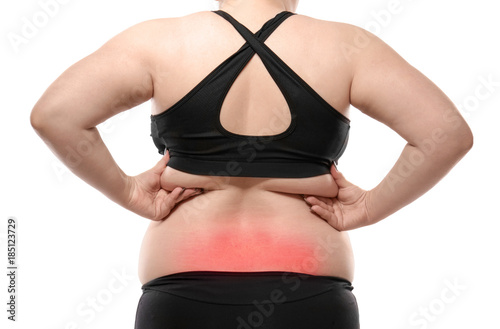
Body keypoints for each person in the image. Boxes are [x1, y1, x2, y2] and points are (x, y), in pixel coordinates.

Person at [30, 0, 473, 328]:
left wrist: (129, 191)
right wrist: (368, 208)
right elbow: (445, 135)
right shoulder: (345, 46)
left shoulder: (159, 41)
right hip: (312, 297)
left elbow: (55, 116)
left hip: (180, 296)